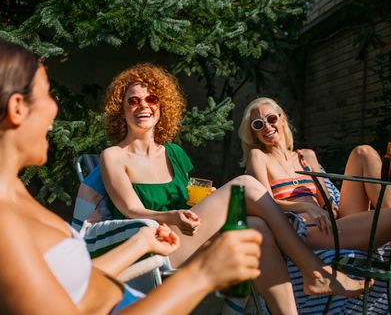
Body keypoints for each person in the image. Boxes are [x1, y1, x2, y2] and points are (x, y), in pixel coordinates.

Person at [0, 38, 264, 315]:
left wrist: (141, 244)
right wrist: (201, 275)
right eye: (48, 93)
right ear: (17, 108)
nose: (54, 109)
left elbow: (74, 284)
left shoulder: (6, 191)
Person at [100, 63, 368, 315]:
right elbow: (131, 209)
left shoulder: (174, 153)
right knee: (246, 185)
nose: (142, 106)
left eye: (151, 99)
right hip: (154, 245)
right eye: (132, 101)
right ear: (121, 109)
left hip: (187, 239)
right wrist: (172, 216)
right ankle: (315, 271)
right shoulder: (113, 155)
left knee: (256, 227)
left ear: (162, 106)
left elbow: (192, 201)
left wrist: (211, 201)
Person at [238, 96, 391, 315]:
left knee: (365, 153)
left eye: (271, 118)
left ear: (283, 119)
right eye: (258, 125)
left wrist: (327, 206)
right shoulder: (259, 157)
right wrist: (304, 207)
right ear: (254, 133)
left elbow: (328, 201)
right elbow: (264, 201)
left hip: (331, 223)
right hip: (305, 229)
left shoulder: (306, 156)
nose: (267, 126)